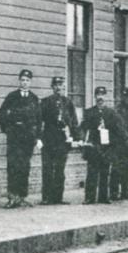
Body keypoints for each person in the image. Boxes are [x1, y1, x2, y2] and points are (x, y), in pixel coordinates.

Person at [0, 69, 42, 208]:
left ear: (31, 82)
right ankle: (12, 197)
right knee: (13, 166)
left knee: (25, 167)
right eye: (22, 80)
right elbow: (1, 115)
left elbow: (39, 120)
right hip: (14, 138)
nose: (25, 83)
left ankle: (22, 197)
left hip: (27, 139)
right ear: (19, 81)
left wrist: (37, 136)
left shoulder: (34, 98)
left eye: (27, 80)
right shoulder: (11, 97)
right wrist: (8, 130)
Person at [81, 87, 128, 204]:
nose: (100, 97)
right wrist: (83, 141)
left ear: (106, 97)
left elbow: (119, 130)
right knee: (92, 173)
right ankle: (89, 197)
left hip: (107, 148)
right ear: (95, 97)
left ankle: (103, 197)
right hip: (93, 146)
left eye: (102, 95)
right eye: (98, 95)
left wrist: (118, 143)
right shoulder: (89, 112)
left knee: (105, 172)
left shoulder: (112, 113)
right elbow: (82, 128)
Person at [39, 76, 79, 205]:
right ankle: (46, 197)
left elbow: (74, 122)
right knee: (48, 169)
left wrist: (73, 137)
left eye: (61, 85)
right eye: (55, 85)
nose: (58, 88)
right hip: (49, 140)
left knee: (60, 170)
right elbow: (39, 121)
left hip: (62, 141)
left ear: (64, 87)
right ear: (52, 87)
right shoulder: (45, 102)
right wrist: (39, 138)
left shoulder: (68, 103)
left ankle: (58, 197)